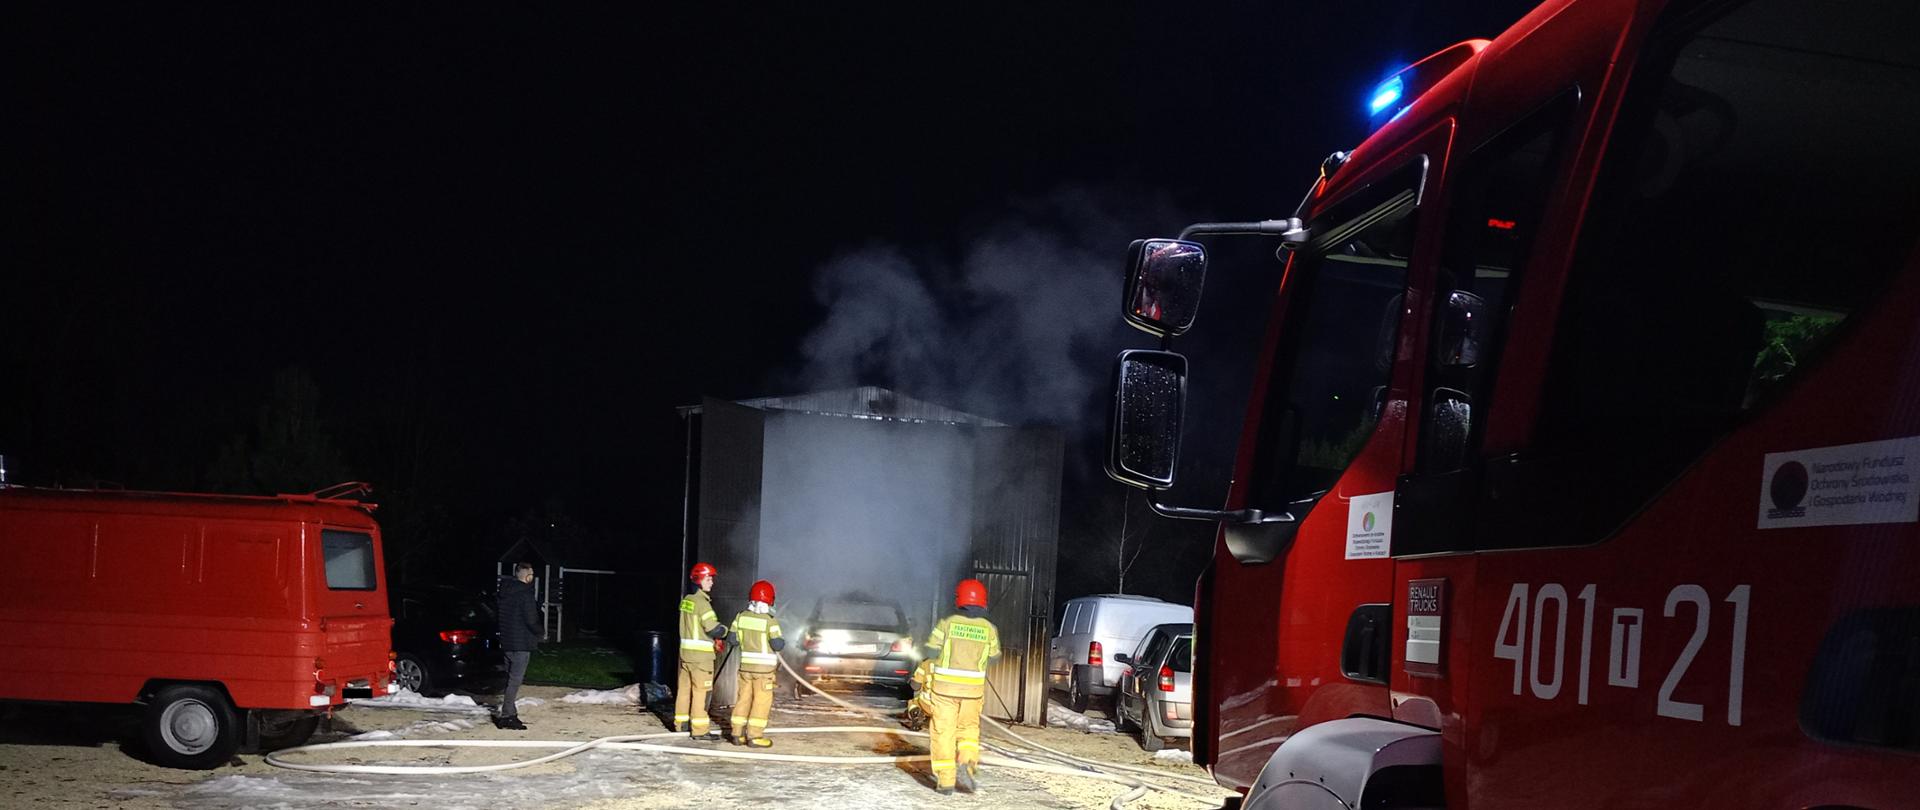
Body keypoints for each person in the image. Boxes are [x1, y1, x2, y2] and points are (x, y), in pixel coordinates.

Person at [922, 578, 1000, 795]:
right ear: (983, 602)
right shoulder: (989, 629)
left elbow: (930, 651)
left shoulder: (947, 624)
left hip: (945, 690)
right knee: (968, 731)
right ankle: (967, 763)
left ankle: (946, 782)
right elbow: (994, 657)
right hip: (973, 692)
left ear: (960, 600)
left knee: (943, 732)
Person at [726, 579, 785, 747]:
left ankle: (737, 734)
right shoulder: (769, 621)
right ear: (769, 600)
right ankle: (754, 736)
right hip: (764, 671)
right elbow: (777, 644)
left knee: (743, 699)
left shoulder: (740, 617)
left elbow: (732, 639)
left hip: (745, 668)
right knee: (761, 702)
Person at [675, 562, 727, 739]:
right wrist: (726, 631)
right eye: (708, 578)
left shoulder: (687, 601)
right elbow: (713, 629)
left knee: (684, 690)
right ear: (698, 580)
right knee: (701, 693)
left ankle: (680, 724)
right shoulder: (703, 604)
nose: (711, 582)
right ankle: (699, 730)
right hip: (701, 659)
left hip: (685, 655)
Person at [494, 562, 542, 730]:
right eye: (532, 573)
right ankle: (507, 716)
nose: (533, 577)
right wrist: (540, 632)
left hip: (507, 641)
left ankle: (510, 713)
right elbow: (531, 620)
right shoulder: (525, 594)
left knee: (510, 679)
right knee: (515, 680)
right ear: (526, 575)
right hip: (521, 642)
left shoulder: (504, 593)